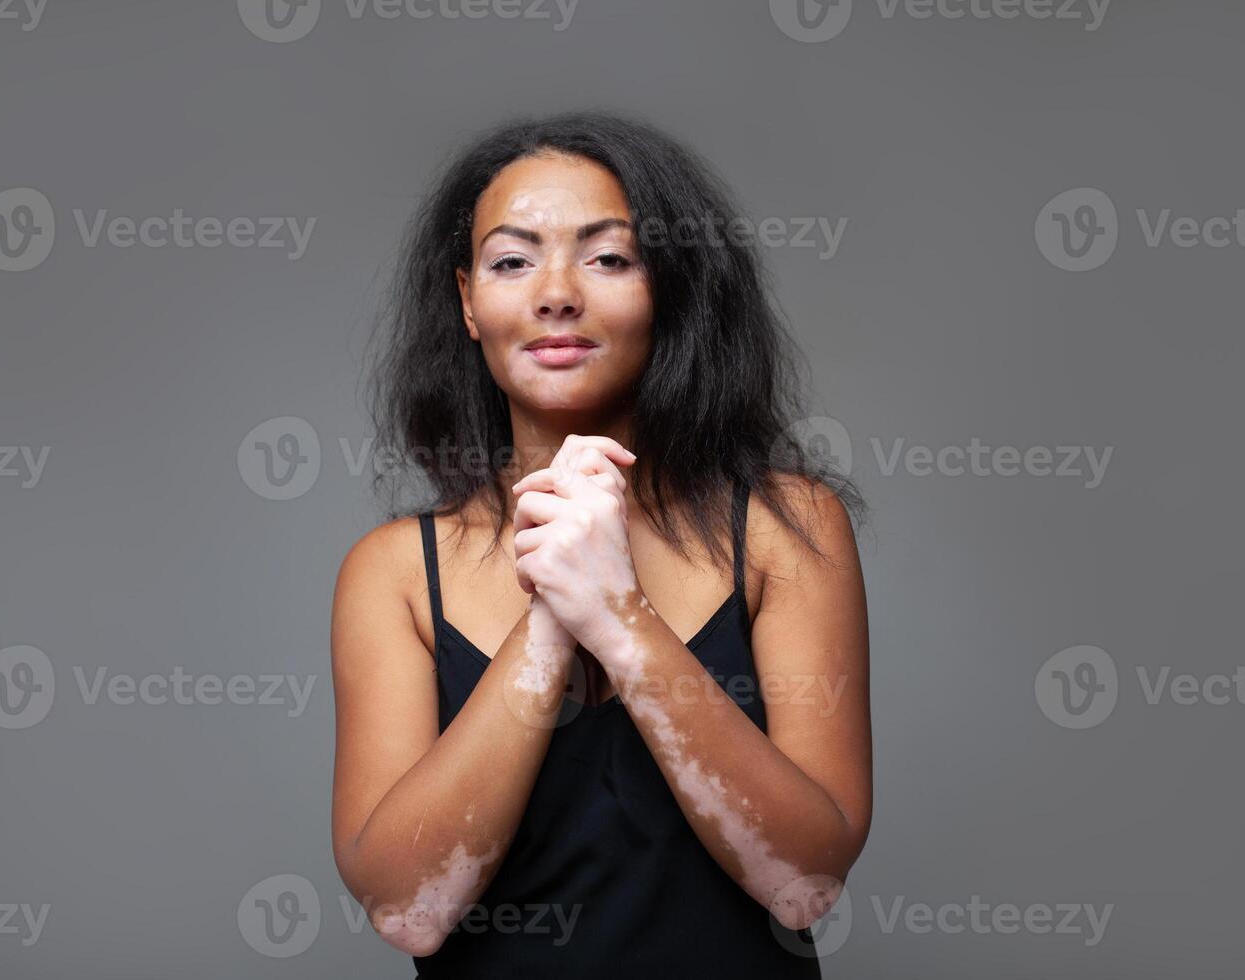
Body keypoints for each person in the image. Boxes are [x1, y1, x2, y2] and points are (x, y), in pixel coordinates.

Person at [330, 110, 872, 978]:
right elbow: (409, 911)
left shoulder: (787, 529)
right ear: (468, 302)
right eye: (512, 260)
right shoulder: (393, 573)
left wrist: (618, 615)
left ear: (671, 287)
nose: (556, 293)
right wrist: (555, 608)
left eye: (608, 256)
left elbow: (803, 883)